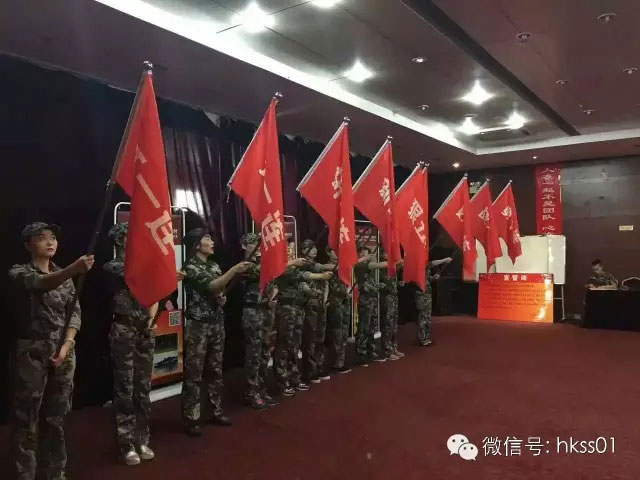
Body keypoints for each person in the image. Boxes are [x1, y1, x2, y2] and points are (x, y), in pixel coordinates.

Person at [8, 222, 94, 480]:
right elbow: (41, 284)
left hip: (62, 353)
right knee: (27, 419)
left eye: (53, 237)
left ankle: (54, 472)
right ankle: (26, 473)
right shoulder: (19, 272)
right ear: (28, 245)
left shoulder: (64, 277)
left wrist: (66, 346)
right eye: (41, 237)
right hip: (32, 353)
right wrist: (73, 270)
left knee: (56, 418)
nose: (50, 242)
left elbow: (74, 314)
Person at [180, 228, 251, 436]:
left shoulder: (214, 265)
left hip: (216, 323)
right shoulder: (190, 267)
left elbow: (219, 292)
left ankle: (214, 410)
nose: (212, 242)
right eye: (207, 239)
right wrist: (234, 270)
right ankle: (192, 417)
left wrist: (223, 298)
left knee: (215, 370)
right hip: (198, 326)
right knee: (194, 373)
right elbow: (211, 286)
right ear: (196, 245)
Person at [103, 223, 160, 465]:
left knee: (143, 388)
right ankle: (126, 443)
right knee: (125, 389)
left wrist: (151, 319)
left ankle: (142, 438)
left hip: (144, 330)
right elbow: (133, 276)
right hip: (124, 330)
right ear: (120, 240)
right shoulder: (113, 266)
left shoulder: (144, 267)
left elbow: (154, 293)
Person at [273, 239, 332, 396]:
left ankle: (294, 377)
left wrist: (313, 290)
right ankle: (282, 380)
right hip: (286, 309)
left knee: (294, 346)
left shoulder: (294, 268)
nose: (291, 252)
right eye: (289, 250)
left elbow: (302, 278)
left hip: (298, 309)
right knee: (284, 346)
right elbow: (298, 274)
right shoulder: (281, 266)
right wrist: (320, 276)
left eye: (293, 250)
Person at [239, 232, 278, 410]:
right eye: (253, 243)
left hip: (266, 311)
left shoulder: (262, 263)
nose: (257, 247)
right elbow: (263, 271)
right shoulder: (245, 265)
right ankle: (251, 392)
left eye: (258, 243)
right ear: (244, 246)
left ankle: (261, 389)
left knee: (265, 352)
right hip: (253, 312)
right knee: (253, 354)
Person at [299, 239, 333, 385]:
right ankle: (309, 371)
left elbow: (325, 279)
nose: (314, 250)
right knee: (309, 340)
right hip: (308, 307)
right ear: (303, 250)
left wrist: (325, 298)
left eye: (315, 248)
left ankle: (318, 367)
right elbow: (303, 281)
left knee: (320, 338)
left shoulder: (317, 265)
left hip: (320, 306)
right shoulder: (300, 265)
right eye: (310, 248)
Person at [353, 245, 390, 366]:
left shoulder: (369, 268)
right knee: (363, 327)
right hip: (365, 301)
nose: (367, 256)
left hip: (373, 300)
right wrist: (392, 261)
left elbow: (371, 283)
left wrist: (377, 286)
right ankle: (361, 354)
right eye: (363, 254)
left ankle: (371, 350)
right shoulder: (359, 266)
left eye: (367, 253)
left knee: (372, 327)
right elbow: (378, 265)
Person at [325, 246, 352, 374]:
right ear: (328, 253)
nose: (337, 254)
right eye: (334, 251)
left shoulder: (343, 266)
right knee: (336, 333)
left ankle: (341, 360)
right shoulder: (327, 267)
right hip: (334, 304)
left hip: (344, 302)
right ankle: (335, 361)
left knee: (344, 332)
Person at [416, 257, 452, 346]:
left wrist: (433, 278)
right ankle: (422, 338)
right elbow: (432, 263)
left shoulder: (425, 267)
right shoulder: (419, 264)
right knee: (423, 317)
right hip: (421, 295)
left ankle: (426, 338)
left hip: (427, 294)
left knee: (427, 317)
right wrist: (445, 260)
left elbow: (427, 280)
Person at [379, 250, 403, 361]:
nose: (389, 255)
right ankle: (387, 351)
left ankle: (394, 348)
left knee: (394, 325)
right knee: (387, 325)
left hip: (394, 298)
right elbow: (382, 284)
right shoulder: (381, 268)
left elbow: (391, 282)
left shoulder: (392, 268)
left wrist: (398, 283)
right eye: (386, 253)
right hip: (386, 298)